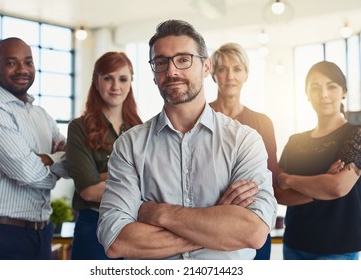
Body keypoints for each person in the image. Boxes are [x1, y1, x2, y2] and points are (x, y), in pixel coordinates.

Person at [97, 19, 277, 260]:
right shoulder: (129, 146)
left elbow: (253, 232)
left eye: (183, 59)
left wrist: (160, 214)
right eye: (161, 62)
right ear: (153, 73)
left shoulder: (244, 141)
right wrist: (217, 224)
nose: (171, 71)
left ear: (205, 67)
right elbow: (117, 241)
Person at [0, 37, 68, 260]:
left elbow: (71, 164)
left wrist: (45, 159)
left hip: (41, 233)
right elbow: (27, 173)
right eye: (11, 63)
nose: (22, 69)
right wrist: (53, 164)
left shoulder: (41, 115)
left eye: (28, 62)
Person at [276, 61, 361, 260]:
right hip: (294, 244)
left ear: (344, 91)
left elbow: (337, 187)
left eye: (331, 86)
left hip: (337, 250)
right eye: (315, 87)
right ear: (307, 94)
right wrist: (321, 183)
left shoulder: (356, 135)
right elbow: (278, 193)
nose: (323, 94)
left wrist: (289, 180)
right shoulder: (295, 141)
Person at [66, 52, 142, 260]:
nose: (115, 86)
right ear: (96, 82)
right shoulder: (79, 127)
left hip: (134, 226)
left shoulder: (141, 129)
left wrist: (104, 176)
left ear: (130, 82)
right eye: (108, 78)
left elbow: (154, 181)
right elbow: (89, 191)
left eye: (122, 79)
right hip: (93, 226)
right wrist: (132, 182)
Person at [209, 42, 279, 260]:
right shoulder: (199, 119)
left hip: (254, 220)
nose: (230, 76)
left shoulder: (262, 122)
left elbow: (271, 176)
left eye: (237, 69)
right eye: (222, 69)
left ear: (246, 74)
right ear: (213, 75)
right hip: (210, 221)